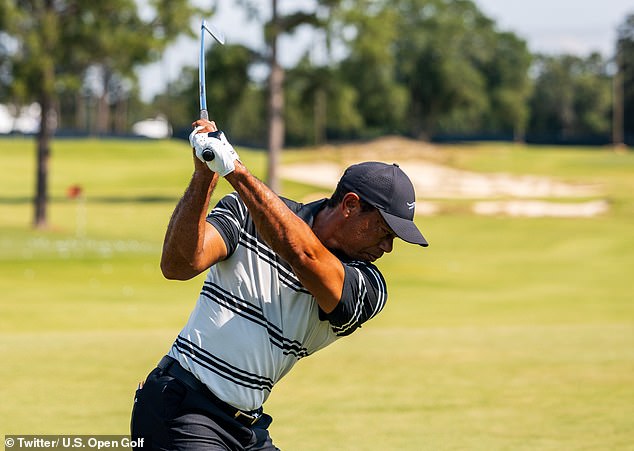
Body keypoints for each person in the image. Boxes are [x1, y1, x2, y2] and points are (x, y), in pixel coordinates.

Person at [130, 119, 428, 450]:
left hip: (246, 428)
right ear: (351, 205)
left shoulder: (368, 285)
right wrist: (205, 176)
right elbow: (178, 266)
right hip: (181, 408)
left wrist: (236, 172)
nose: (388, 247)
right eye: (384, 231)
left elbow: (305, 256)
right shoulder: (246, 213)